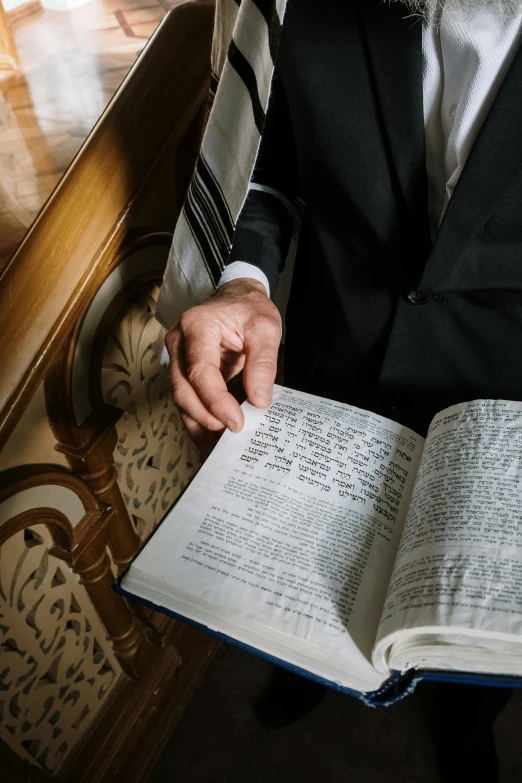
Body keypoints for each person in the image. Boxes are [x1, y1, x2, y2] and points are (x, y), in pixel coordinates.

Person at [161, 0, 522, 779]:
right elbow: (270, 157)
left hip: (504, 410)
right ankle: (304, 672)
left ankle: (466, 718)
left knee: (468, 644)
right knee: (309, 581)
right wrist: (244, 279)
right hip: (331, 365)